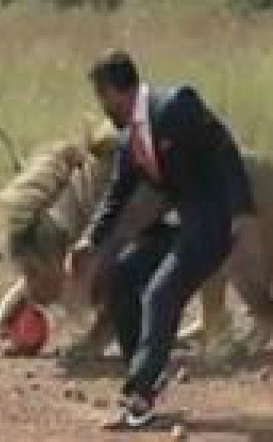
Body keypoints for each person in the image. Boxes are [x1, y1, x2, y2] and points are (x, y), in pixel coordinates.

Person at [68, 49, 255, 429]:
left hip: (213, 221)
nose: (102, 107)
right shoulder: (129, 141)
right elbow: (117, 195)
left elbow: (223, 145)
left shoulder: (175, 105)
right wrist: (90, 240)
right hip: (181, 224)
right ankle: (146, 372)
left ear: (114, 91)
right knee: (122, 276)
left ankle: (139, 398)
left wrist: (240, 210)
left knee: (160, 292)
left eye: (101, 96)